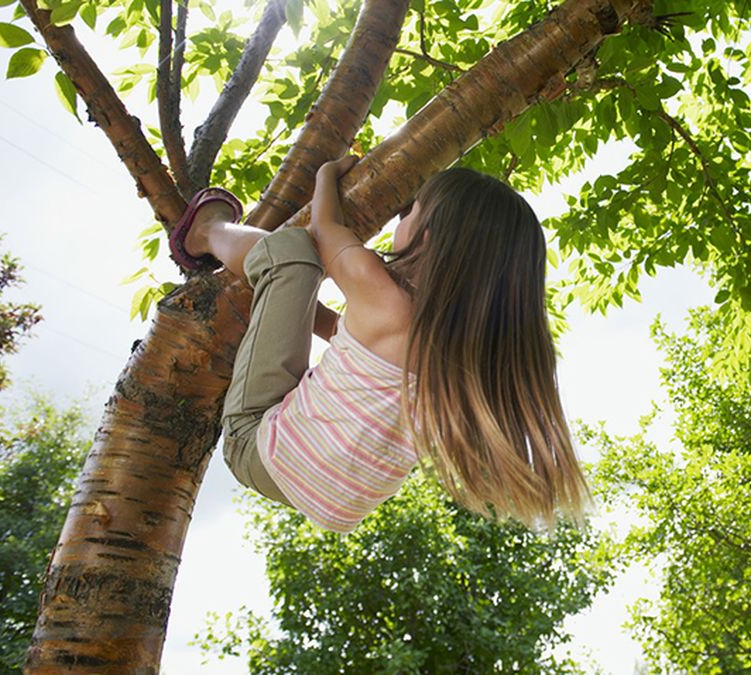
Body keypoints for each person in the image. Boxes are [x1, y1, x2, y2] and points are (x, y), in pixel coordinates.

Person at [168, 156, 590, 532]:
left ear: (428, 236)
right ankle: (261, 286)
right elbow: (358, 356)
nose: (398, 220)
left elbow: (323, 229)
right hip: (337, 500)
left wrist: (325, 174)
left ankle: (205, 232)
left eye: (410, 211)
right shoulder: (468, 352)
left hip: (256, 443)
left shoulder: (381, 292)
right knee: (309, 304)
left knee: (290, 254)